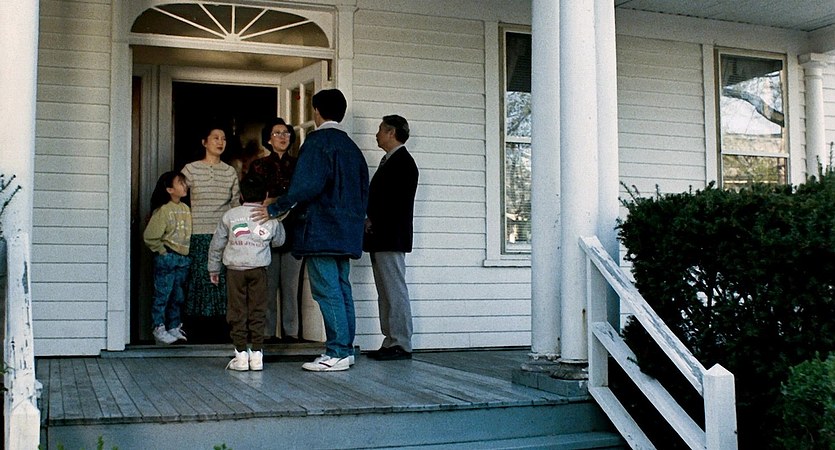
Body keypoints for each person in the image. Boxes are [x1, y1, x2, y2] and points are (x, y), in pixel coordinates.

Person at [253, 89, 369, 372]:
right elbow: (362, 192)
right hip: (347, 231)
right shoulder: (352, 148)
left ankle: (336, 352)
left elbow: (306, 186)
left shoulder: (317, 142)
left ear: (317, 111)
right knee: (342, 290)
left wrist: (274, 208)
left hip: (322, 230)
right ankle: (345, 350)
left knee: (327, 291)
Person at [208, 174, 286, 371]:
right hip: (259, 270)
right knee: (258, 310)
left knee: (237, 311)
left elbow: (217, 244)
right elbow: (279, 242)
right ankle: (257, 355)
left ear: (241, 195)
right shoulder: (269, 216)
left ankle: (241, 355)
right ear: (266, 195)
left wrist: (213, 268)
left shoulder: (230, 215)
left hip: (235, 271)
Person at [364, 115, 419, 360]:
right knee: (386, 292)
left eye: (380, 129)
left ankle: (401, 342)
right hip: (382, 237)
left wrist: (373, 220)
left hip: (391, 237)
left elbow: (395, 204)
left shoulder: (403, 163)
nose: (376, 134)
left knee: (394, 291)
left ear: (391, 132)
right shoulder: (391, 161)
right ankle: (390, 340)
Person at [181, 124, 241, 340]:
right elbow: (180, 199)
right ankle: (196, 330)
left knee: (221, 282)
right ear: (204, 142)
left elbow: (235, 204)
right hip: (197, 233)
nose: (220, 142)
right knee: (199, 281)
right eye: (215, 137)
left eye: (223, 138)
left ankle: (221, 331)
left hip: (223, 235)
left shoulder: (230, 171)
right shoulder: (190, 169)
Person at [248, 118, 303, 343]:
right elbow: (252, 197)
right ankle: (268, 333)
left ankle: (291, 333)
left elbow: (301, 195)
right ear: (268, 139)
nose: (283, 137)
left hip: (293, 229)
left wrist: (277, 200)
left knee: (291, 286)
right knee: (267, 286)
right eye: (277, 133)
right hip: (265, 230)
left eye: (286, 133)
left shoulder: (299, 165)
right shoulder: (258, 165)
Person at [143, 171, 193, 345]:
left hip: (183, 258)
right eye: (180, 183)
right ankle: (159, 327)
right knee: (163, 294)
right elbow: (150, 236)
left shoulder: (185, 208)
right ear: (170, 189)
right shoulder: (163, 210)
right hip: (168, 256)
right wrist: (162, 252)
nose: (185, 186)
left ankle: (173, 326)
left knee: (178, 296)